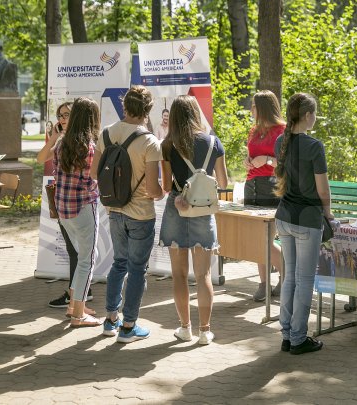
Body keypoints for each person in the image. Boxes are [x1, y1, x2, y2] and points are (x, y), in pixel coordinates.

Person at [97, 86, 165, 343]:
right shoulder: (149, 142)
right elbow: (152, 188)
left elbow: (96, 173)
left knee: (119, 263)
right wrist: (161, 192)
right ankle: (129, 326)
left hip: (114, 210)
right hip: (140, 214)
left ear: (124, 106)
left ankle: (111, 319)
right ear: (147, 110)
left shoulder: (106, 134)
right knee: (137, 269)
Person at [161, 95, 227, 345]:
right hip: (203, 210)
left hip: (176, 209)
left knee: (179, 275)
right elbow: (223, 182)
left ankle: (184, 328)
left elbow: (167, 186)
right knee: (204, 276)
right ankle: (204, 331)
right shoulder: (213, 142)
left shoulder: (168, 145)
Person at [274, 92, 333, 355]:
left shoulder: (280, 141)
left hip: (284, 216)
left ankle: (287, 334)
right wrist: (329, 213)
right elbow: (322, 190)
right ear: (308, 116)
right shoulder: (314, 146)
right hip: (308, 219)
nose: (316, 118)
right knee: (305, 279)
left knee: (290, 278)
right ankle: (298, 337)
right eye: (315, 113)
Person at [38, 102, 96, 316]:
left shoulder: (73, 144)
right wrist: (53, 137)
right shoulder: (69, 143)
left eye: (67, 115)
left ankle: (77, 301)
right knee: (83, 256)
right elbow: (40, 158)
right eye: (60, 115)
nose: (62, 119)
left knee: (80, 255)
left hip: (66, 205)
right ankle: (77, 306)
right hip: (77, 205)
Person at [52, 97, 102, 327]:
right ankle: (78, 314)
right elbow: (93, 179)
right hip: (83, 207)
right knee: (87, 259)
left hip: (63, 210)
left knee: (85, 257)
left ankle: (74, 304)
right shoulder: (90, 147)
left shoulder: (61, 143)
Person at [243, 90, 285, 302]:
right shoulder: (253, 130)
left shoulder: (282, 131)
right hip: (251, 185)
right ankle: (263, 283)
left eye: (254, 106)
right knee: (256, 236)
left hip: (271, 185)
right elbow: (250, 155)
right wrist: (248, 162)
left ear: (264, 108)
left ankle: (285, 275)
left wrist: (267, 160)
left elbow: (286, 164)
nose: (252, 110)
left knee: (265, 238)